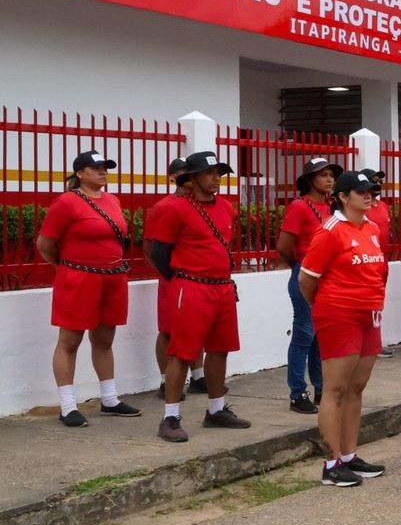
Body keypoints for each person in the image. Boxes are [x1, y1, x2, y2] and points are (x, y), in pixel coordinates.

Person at [147, 151, 252, 443]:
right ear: (191, 179)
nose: (216, 177)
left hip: (221, 287)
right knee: (182, 351)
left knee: (220, 348)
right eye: (209, 173)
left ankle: (216, 409)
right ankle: (170, 416)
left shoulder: (227, 208)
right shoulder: (175, 210)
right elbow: (159, 254)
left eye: (219, 172)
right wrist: (184, 280)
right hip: (191, 287)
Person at [35, 150, 140, 427]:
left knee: (105, 339)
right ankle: (68, 406)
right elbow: (45, 245)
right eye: (96, 168)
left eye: (105, 168)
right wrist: (65, 265)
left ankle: (109, 398)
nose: (103, 172)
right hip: (80, 278)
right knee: (70, 341)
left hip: (113, 277)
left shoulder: (113, 200)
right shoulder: (66, 203)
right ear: (80, 173)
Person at [300, 171, 390, 487]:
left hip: (370, 314)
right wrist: (327, 309)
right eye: (361, 191)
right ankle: (331, 462)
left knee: (357, 387)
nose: (369, 196)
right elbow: (307, 279)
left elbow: (380, 270)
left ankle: (350, 456)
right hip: (339, 315)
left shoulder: (373, 228)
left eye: (372, 191)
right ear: (343, 196)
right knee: (335, 388)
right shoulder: (331, 231)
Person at [278, 157, 340, 413]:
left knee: (321, 335)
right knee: (304, 332)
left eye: (330, 175)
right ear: (309, 180)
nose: (329, 179)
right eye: (323, 174)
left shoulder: (331, 206)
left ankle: (321, 388)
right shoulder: (299, 207)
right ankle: (297, 392)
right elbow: (284, 246)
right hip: (305, 273)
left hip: (326, 276)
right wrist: (299, 265)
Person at [146, 158, 206, 398]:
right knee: (169, 330)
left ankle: (199, 376)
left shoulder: (200, 205)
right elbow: (150, 248)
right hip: (171, 276)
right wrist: (168, 275)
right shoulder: (163, 207)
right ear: (174, 177)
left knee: (196, 328)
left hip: (197, 279)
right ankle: (165, 381)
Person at [359, 168, 395, 359]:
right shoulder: (362, 208)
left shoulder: (383, 206)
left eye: (379, 180)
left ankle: (375, 343)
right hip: (366, 262)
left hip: (383, 262)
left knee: (377, 303)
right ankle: (364, 344)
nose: (378, 184)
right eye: (373, 181)